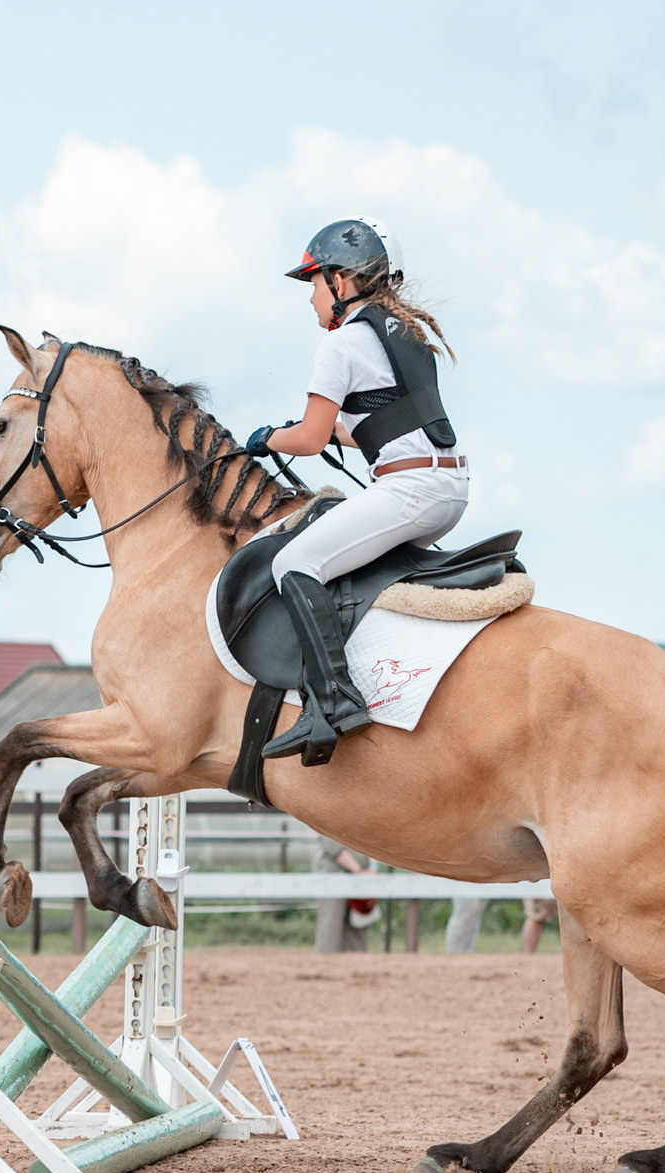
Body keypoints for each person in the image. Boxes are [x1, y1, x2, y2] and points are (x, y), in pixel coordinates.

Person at [244, 217, 465, 767]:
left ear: (341, 282)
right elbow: (377, 421)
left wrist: (270, 438)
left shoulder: (343, 342)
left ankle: (334, 702)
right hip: (448, 486)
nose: (312, 299)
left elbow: (309, 434)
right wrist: (339, 434)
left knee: (294, 564)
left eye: (314, 285)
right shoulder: (402, 332)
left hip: (411, 489)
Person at [312, 837, 380, 953]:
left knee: (359, 930)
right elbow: (332, 845)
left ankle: (357, 968)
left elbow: (373, 836)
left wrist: (373, 867)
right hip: (333, 877)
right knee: (330, 929)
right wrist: (358, 871)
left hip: (363, 876)